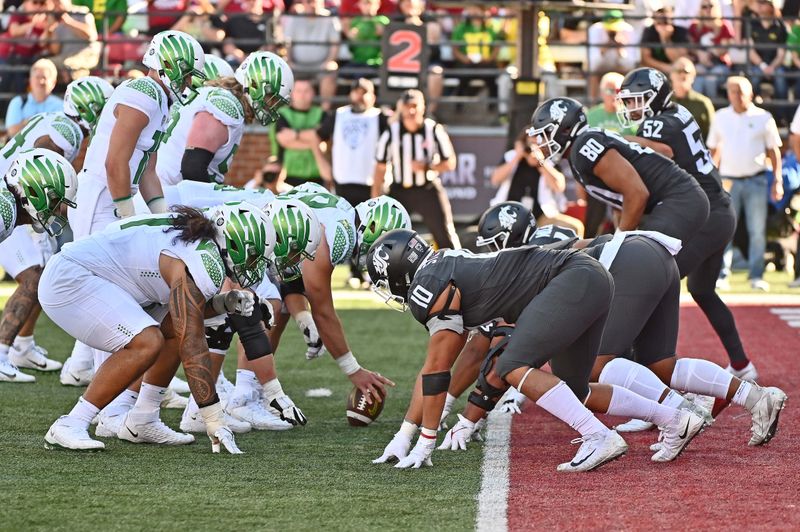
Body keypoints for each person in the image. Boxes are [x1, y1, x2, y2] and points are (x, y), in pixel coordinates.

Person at [437, 204, 787, 451]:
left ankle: (679, 413)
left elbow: (497, 352)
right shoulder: (542, 243)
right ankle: (755, 397)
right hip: (650, 255)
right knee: (661, 362)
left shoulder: (519, 265)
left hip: (628, 263)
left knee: (598, 363)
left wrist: (467, 417)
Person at [367, 228, 697, 471]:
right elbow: (442, 367)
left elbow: (438, 370)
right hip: (589, 276)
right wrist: (404, 434)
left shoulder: (428, 285)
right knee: (575, 389)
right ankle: (674, 419)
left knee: (512, 366)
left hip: (572, 278)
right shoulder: (445, 266)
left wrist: (425, 442)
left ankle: (597, 435)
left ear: (397, 270)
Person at [42, 202, 273, 451]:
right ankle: (72, 423)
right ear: (233, 244)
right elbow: (192, 340)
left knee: (173, 327)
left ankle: (143, 418)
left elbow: (186, 312)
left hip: (101, 279)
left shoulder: (199, 245)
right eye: (251, 255)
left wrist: (223, 303)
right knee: (148, 342)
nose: (253, 265)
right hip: (72, 278)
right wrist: (213, 416)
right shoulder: (202, 259)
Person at [59, 30, 205, 387]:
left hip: (117, 192)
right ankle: (108, 394)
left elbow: (148, 170)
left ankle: (133, 384)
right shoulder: (144, 93)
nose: (188, 83)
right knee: (109, 293)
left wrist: (160, 215)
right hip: (101, 195)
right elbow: (115, 162)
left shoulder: (160, 98)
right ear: (172, 66)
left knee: (129, 292)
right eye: (187, 74)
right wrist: (127, 217)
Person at [619, 67, 760, 380]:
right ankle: (741, 364)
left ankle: (651, 381)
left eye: (636, 100)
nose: (631, 108)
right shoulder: (678, 112)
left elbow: (664, 151)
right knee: (701, 289)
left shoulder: (658, 123)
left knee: (652, 285)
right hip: (719, 210)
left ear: (654, 97)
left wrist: (620, 141)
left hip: (705, 215)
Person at [266, 188, 396, 403]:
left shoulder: (339, 209)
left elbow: (290, 278)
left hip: (256, 237)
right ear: (374, 228)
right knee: (259, 313)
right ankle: (238, 397)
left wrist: (302, 317)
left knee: (274, 306)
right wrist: (353, 370)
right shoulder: (340, 235)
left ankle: (251, 389)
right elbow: (322, 308)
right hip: (241, 236)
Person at [529, 97, 709, 244]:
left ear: (566, 129)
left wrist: (619, 240)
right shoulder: (580, 150)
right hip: (676, 200)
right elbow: (623, 199)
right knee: (655, 276)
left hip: (677, 199)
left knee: (636, 270)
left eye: (544, 134)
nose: (539, 142)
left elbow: (637, 193)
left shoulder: (584, 146)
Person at [157, 51, 293, 186]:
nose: (272, 106)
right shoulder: (225, 105)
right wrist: (211, 203)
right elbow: (192, 167)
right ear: (256, 86)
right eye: (272, 98)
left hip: (168, 189)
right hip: (169, 192)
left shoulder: (223, 98)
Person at [0, 149, 78, 382]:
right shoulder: (5, 212)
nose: (55, 210)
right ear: (35, 192)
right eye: (54, 201)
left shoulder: (9, 209)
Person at [707, 76, 783, 291]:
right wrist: (712, 179)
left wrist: (777, 180)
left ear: (750, 93)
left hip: (756, 179)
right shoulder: (721, 117)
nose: (736, 95)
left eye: (740, 91)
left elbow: (774, 151)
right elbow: (714, 151)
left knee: (757, 230)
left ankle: (756, 275)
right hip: (728, 181)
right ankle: (722, 275)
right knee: (725, 230)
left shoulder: (763, 117)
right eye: (732, 91)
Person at [317, 78, 388, 285]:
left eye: (365, 92)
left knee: (370, 230)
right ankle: (354, 272)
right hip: (344, 179)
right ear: (351, 94)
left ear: (373, 96)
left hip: (369, 181)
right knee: (348, 228)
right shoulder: (339, 115)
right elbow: (317, 138)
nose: (361, 96)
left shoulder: (380, 117)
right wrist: (325, 164)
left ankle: (371, 273)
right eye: (357, 91)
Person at [373, 90, 460, 250]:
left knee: (445, 234)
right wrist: (375, 199)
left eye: (415, 106)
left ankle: (456, 270)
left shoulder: (433, 129)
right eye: (407, 106)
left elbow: (450, 162)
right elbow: (380, 167)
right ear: (401, 108)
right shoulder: (391, 132)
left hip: (427, 189)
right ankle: (385, 272)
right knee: (388, 236)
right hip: (400, 191)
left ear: (423, 107)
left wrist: (428, 167)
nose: (411, 111)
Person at [488, 129, 584, 236]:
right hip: (509, 217)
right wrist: (518, 156)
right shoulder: (511, 156)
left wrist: (540, 163)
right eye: (530, 145)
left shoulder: (549, 161)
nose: (533, 149)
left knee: (575, 227)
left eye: (537, 144)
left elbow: (559, 187)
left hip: (541, 217)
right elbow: (495, 179)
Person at [281, 0, 340, 109]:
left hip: (322, 66)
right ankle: (288, 113)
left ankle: (324, 113)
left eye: (315, 1)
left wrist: (329, 61)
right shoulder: (294, 19)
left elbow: (335, 44)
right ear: (303, 3)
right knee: (283, 70)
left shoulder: (330, 19)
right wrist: (289, 61)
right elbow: (287, 43)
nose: (312, 5)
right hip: (297, 65)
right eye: (309, 1)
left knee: (331, 69)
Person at [273, 78, 330, 188]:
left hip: (317, 176)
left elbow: (323, 138)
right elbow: (283, 140)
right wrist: (313, 143)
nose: (302, 95)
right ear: (292, 93)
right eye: (299, 91)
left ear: (313, 93)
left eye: (306, 91)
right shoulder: (282, 114)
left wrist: (294, 135)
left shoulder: (322, 114)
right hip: (287, 176)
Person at [0, 0, 53, 97]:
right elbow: (14, 31)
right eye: (35, 2)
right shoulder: (19, 14)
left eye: (42, 3)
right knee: (4, 84)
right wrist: (33, 23)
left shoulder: (44, 23)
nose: (38, 6)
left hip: (23, 60)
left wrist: (47, 27)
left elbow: (42, 44)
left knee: (19, 86)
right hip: (4, 55)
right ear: (25, 3)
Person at [585, 11, 638, 101]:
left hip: (621, 68)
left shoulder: (629, 30)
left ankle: (628, 103)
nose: (612, 32)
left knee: (630, 74)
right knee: (592, 73)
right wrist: (603, 50)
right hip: (600, 68)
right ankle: (592, 105)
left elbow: (631, 64)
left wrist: (620, 51)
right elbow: (593, 64)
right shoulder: (595, 29)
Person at [4, 59, 63, 137]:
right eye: (37, 77)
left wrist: (27, 123)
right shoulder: (17, 102)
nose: (41, 81)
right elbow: (12, 132)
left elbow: (62, 135)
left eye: (44, 77)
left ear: (54, 82)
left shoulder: (62, 105)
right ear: (30, 80)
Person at [688, 0, 734, 98]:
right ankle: (697, 108)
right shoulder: (694, 26)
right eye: (704, 7)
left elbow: (723, 50)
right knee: (698, 77)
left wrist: (710, 53)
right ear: (700, 9)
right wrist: (699, 53)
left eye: (711, 6)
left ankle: (712, 106)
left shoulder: (724, 26)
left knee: (711, 78)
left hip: (720, 64)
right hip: (701, 63)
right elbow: (690, 47)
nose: (708, 9)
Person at [46, 0, 101, 81]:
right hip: (65, 56)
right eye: (53, 2)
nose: (56, 4)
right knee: (44, 65)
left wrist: (69, 22)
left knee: (69, 66)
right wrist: (50, 29)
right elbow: (55, 51)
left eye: (58, 1)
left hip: (86, 55)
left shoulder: (82, 11)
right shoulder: (56, 19)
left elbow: (91, 36)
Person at [747, 0, 788, 102]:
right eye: (759, 2)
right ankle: (751, 107)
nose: (760, 5)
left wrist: (772, 67)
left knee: (781, 78)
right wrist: (763, 66)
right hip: (757, 65)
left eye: (763, 2)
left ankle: (782, 115)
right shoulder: (751, 24)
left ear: (771, 6)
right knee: (753, 78)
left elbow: (781, 53)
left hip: (775, 66)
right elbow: (751, 51)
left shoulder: (780, 26)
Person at [669, 58, 716, 140]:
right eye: (679, 71)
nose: (682, 74)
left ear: (693, 76)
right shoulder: (662, 101)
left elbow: (712, 135)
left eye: (686, 72)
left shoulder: (703, 103)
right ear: (671, 74)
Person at [640, 6, 690, 74]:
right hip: (655, 70)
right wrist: (665, 67)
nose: (662, 25)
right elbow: (645, 58)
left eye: (665, 21)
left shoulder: (680, 31)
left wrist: (665, 39)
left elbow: (679, 59)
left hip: (676, 71)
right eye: (659, 21)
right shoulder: (649, 31)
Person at [344, 0, 390, 69]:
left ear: (378, 4)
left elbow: (385, 37)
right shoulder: (355, 21)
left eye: (371, 3)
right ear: (359, 5)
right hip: (357, 61)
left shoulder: (382, 20)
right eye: (365, 3)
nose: (369, 6)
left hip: (376, 63)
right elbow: (351, 41)